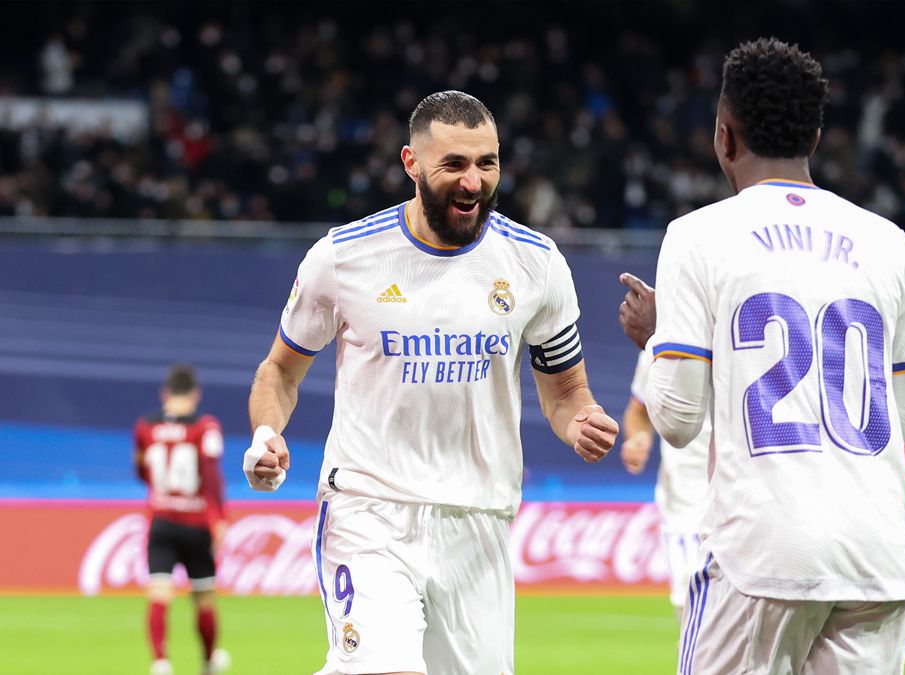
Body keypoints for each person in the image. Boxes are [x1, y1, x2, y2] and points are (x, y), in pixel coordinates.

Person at [242, 90, 618, 675]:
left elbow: (567, 392)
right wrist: (266, 431)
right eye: (455, 165)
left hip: (479, 519)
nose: (473, 182)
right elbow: (280, 371)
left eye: (487, 163)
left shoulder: (537, 264)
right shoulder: (343, 259)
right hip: (371, 510)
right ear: (411, 164)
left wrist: (582, 423)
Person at [618, 38, 905, 673]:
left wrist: (661, 340)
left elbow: (680, 422)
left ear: (724, 137)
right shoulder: (888, 243)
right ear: (816, 137)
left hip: (760, 558)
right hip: (877, 562)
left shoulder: (696, 238)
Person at [133, 364, 231, 675]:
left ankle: (161, 662)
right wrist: (220, 518)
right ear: (195, 394)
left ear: (165, 393)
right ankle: (208, 661)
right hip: (196, 523)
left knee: (159, 594)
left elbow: (141, 470)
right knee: (203, 597)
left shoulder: (145, 427)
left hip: (161, 521)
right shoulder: (206, 427)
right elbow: (212, 474)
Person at [621, 350, 710, 622]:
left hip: (743, 503)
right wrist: (638, 439)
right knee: (693, 625)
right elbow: (638, 411)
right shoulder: (658, 348)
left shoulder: (742, 334)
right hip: (686, 506)